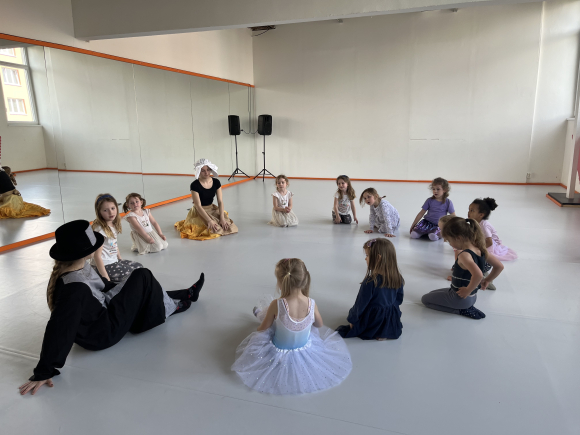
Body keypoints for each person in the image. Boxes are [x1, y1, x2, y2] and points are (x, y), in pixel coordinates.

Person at [18, 220, 204, 396]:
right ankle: (173, 306)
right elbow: (60, 327)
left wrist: (129, 290)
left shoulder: (80, 268)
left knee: (138, 281)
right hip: (102, 332)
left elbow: (104, 287)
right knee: (142, 275)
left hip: (102, 313)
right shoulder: (73, 289)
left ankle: (182, 294)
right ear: (83, 252)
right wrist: (44, 371)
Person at [231, 258, 352, 395]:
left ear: (281, 283)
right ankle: (264, 315)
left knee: (270, 319)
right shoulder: (312, 303)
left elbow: (263, 328)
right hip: (305, 347)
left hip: (277, 351)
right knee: (289, 322)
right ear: (304, 279)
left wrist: (259, 331)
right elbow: (319, 324)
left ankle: (260, 314)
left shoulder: (277, 304)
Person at [421, 217, 504, 319]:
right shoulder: (481, 249)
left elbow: (478, 275)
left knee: (425, 300)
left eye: (449, 240)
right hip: (470, 297)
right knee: (431, 293)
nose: (450, 244)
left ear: (459, 238)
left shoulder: (464, 255)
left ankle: (460, 310)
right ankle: (465, 306)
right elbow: (499, 266)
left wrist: (468, 290)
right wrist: (487, 280)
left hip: (461, 298)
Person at [336, 239, 404, 340]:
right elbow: (399, 299)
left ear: (378, 258)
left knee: (358, 320)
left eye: (367, 255)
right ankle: (385, 331)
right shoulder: (398, 277)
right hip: (391, 317)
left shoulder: (370, 282)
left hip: (374, 319)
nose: (365, 258)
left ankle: (377, 330)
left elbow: (360, 305)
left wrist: (352, 320)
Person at [175, 158, 238, 241]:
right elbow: (198, 206)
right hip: (200, 211)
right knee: (214, 229)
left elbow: (220, 201)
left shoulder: (216, 182)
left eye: (208, 170)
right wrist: (209, 220)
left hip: (211, 208)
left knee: (228, 226)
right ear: (198, 171)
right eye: (203, 171)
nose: (206, 173)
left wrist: (222, 218)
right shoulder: (194, 185)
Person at [91, 193, 142, 282]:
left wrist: (120, 260)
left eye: (113, 208)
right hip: (104, 265)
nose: (111, 212)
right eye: (105, 210)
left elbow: (114, 244)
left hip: (113, 261)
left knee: (139, 267)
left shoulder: (112, 224)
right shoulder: (100, 230)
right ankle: (101, 275)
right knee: (135, 274)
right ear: (99, 212)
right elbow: (97, 256)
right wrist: (105, 278)